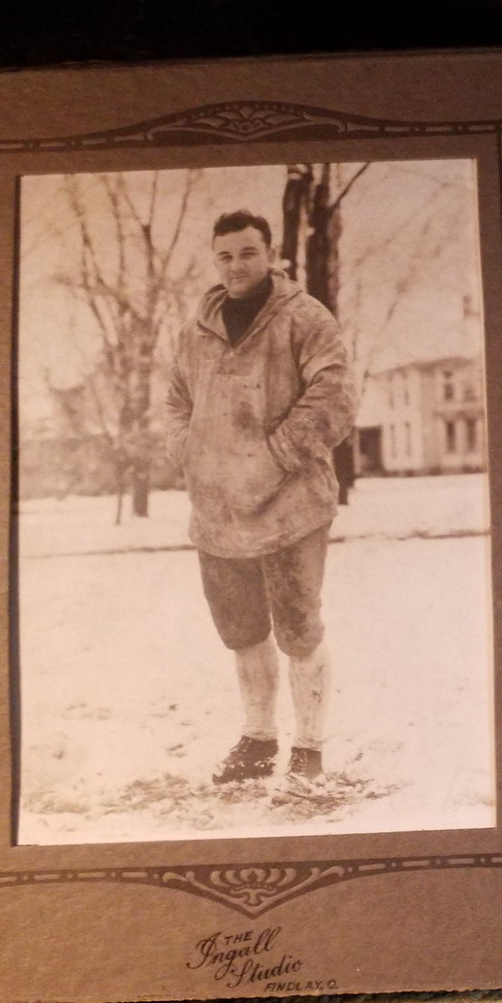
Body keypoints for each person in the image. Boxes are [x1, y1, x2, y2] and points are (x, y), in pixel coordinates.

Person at [163, 210, 357, 786]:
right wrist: (189, 451)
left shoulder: (304, 317)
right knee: (242, 631)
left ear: (270, 254)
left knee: (298, 628)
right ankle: (257, 739)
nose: (236, 265)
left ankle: (310, 747)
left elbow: (335, 396)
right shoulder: (195, 329)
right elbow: (175, 402)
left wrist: (273, 456)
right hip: (218, 513)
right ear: (214, 259)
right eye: (225, 255)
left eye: (248, 253)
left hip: (290, 507)